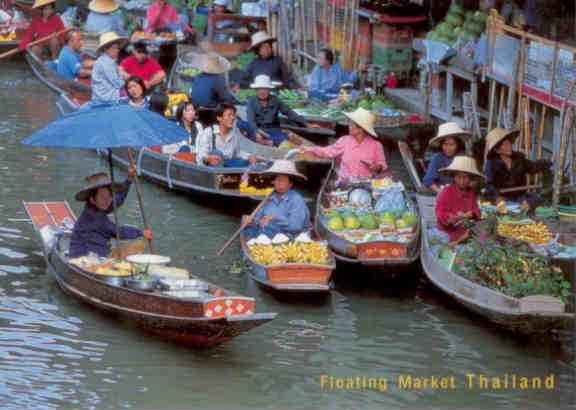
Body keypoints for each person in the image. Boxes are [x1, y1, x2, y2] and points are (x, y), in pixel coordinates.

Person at [69, 171, 153, 258]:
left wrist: (129, 180)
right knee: (139, 244)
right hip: (88, 257)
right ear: (92, 199)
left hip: (97, 251)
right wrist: (141, 233)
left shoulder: (96, 207)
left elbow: (118, 200)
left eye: (109, 196)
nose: (107, 201)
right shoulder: (94, 216)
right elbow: (119, 232)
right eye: (103, 197)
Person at [300, 107, 387, 182]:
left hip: (365, 183)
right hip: (345, 183)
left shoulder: (376, 145)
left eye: (352, 124)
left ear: (361, 129)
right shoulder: (345, 140)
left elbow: (382, 164)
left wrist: (376, 167)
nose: (349, 126)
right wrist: (311, 149)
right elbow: (328, 151)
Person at [483, 127, 551, 209]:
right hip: (502, 196)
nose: (509, 146)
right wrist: (497, 197)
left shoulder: (519, 158)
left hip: (519, 196)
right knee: (500, 204)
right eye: (505, 144)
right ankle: (515, 207)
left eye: (509, 143)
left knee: (536, 197)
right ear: (497, 150)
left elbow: (533, 167)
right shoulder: (491, 163)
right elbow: (489, 184)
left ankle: (522, 206)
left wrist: (548, 162)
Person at [244, 160, 311, 239]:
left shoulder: (296, 200)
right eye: (276, 179)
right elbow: (259, 218)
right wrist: (252, 221)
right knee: (248, 230)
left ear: (290, 184)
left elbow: (295, 226)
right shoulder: (270, 197)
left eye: (282, 180)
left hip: (291, 239)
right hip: (265, 235)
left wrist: (274, 218)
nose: (278, 182)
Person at [247, 75, 308, 146]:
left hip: (274, 130)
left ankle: (271, 142)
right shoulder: (251, 101)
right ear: (256, 90)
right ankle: (269, 142)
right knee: (251, 135)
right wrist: (256, 132)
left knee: (284, 141)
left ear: (269, 90)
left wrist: (306, 123)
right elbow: (251, 120)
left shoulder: (275, 100)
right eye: (260, 89)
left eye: (265, 89)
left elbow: (289, 112)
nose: (262, 91)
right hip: (259, 130)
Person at [435, 156, 483, 244]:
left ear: (470, 178)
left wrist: (471, 214)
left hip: (466, 233)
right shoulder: (446, 191)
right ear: (454, 177)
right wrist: (451, 218)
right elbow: (440, 212)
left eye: (465, 177)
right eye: (459, 177)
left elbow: (477, 210)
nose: (462, 181)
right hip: (448, 234)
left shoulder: (471, 192)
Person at [196, 103, 257, 167]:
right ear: (219, 118)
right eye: (229, 115)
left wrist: (249, 156)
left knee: (248, 162)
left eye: (233, 115)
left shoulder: (235, 132)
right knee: (216, 153)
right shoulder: (209, 132)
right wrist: (208, 158)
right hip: (213, 168)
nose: (232, 118)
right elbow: (201, 154)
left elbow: (237, 152)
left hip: (228, 165)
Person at [422, 122, 469, 194]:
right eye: (445, 144)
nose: (448, 148)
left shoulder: (463, 157)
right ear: (441, 145)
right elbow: (428, 180)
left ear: (458, 145)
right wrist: (441, 192)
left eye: (451, 144)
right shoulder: (437, 158)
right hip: (443, 191)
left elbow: (470, 179)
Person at [91, 31, 127, 103]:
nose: (117, 50)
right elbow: (118, 84)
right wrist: (126, 79)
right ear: (105, 49)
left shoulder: (107, 60)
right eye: (114, 48)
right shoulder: (106, 62)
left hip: (102, 94)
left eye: (117, 48)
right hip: (106, 96)